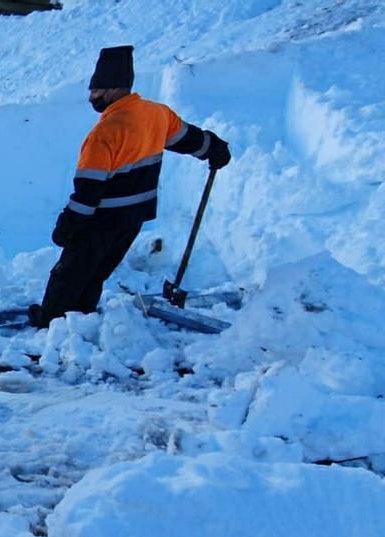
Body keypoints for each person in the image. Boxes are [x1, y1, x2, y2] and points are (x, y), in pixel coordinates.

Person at [28, 45, 232, 329]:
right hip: (135, 216)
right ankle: (81, 314)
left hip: (102, 218)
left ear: (114, 88)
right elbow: (190, 140)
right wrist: (215, 149)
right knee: (98, 270)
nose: (91, 98)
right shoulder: (157, 114)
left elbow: (88, 192)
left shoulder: (105, 132)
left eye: (96, 91)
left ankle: (51, 321)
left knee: (70, 272)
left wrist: (68, 224)